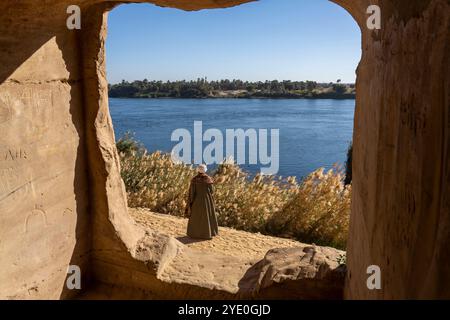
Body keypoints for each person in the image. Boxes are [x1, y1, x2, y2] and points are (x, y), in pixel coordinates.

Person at [185, 164, 219, 239]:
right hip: (207, 201)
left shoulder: (194, 180)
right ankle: (207, 234)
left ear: (198, 170)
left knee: (196, 217)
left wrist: (190, 202)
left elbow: (192, 192)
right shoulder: (209, 179)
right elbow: (212, 191)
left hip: (197, 200)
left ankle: (194, 234)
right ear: (205, 170)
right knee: (207, 216)